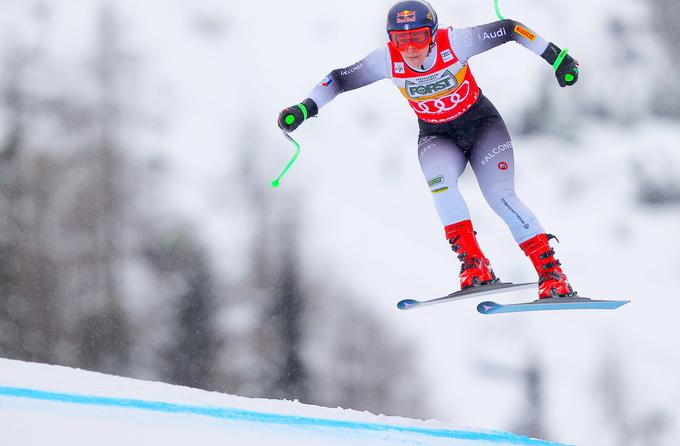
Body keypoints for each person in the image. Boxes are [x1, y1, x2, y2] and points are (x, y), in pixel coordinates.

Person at [277, 0, 579, 299]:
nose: (409, 48)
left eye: (418, 37)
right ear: (390, 39)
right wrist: (305, 108)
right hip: (437, 136)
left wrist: (557, 57)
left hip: (482, 127)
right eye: (400, 40)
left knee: (500, 196)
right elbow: (339, 79)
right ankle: (474, 264)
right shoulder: (386, 60)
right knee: (441, 185)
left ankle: (551, 273)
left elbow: (511, 29)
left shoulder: (456, 42)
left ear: (432, 33)